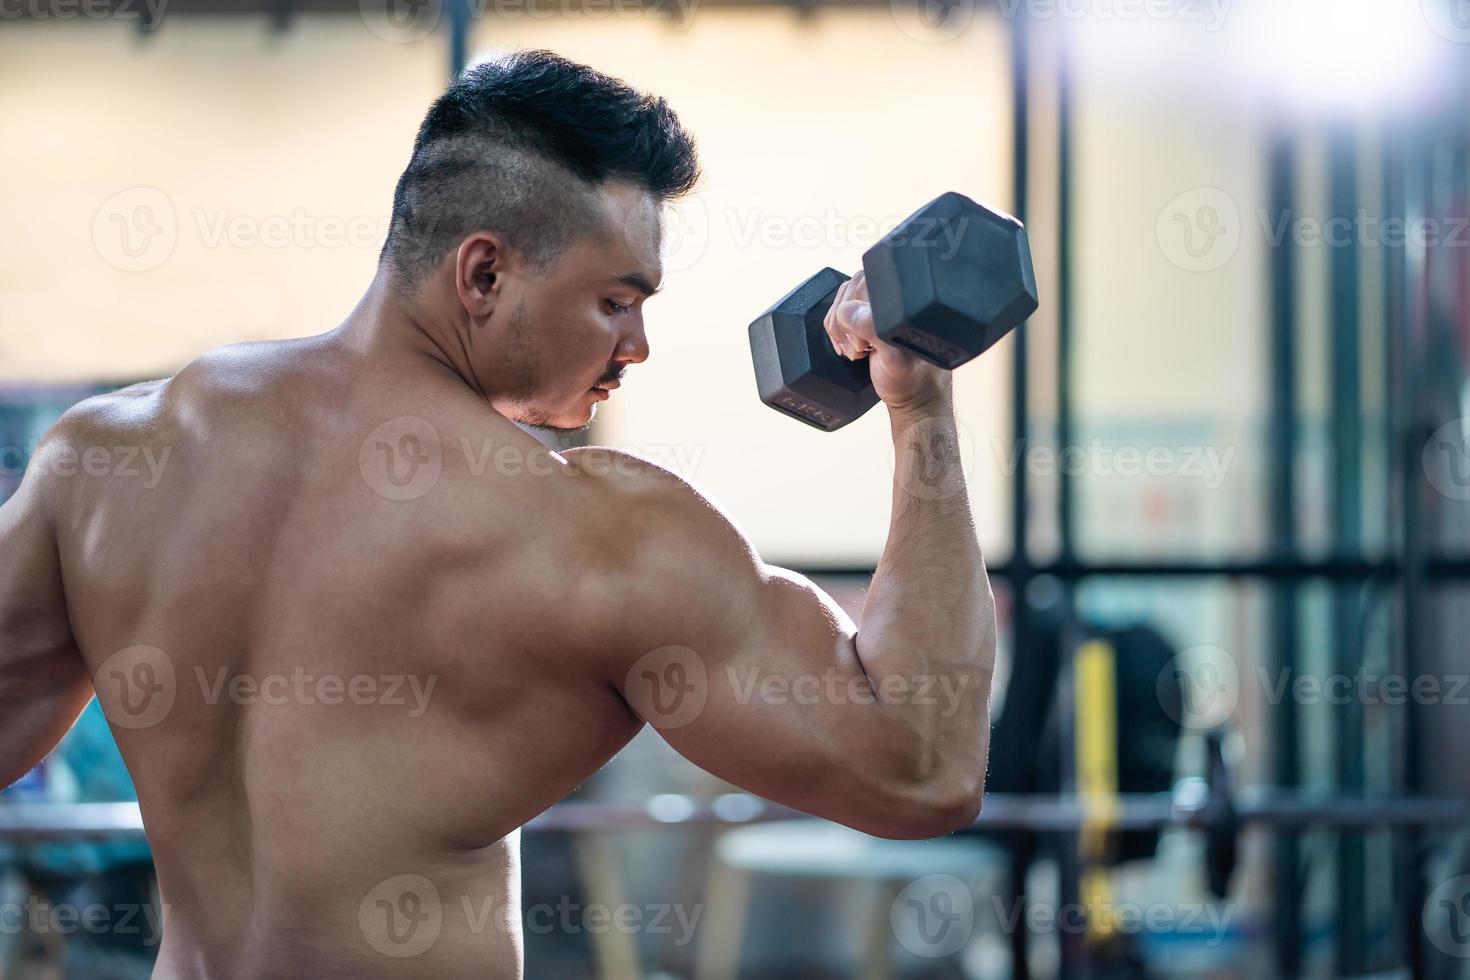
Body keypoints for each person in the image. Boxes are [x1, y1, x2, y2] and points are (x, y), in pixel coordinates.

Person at [0, 49, 997, 979]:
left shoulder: (105, 457)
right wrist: (920, 403)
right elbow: (918, 767)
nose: (639, 342)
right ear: (484, 275)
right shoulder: (596, 533)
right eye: (617, 299)